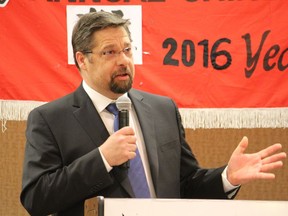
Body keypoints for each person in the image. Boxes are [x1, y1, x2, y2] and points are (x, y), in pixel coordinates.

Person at [20, 11, 286, 216]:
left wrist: (227, 177)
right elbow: (37, 198)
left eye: (126, 49)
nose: (123, 60)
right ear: (82, 59)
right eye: (109, 52)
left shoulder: (162, 109)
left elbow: (186, 184)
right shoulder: (50, 119)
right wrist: (101, 159)